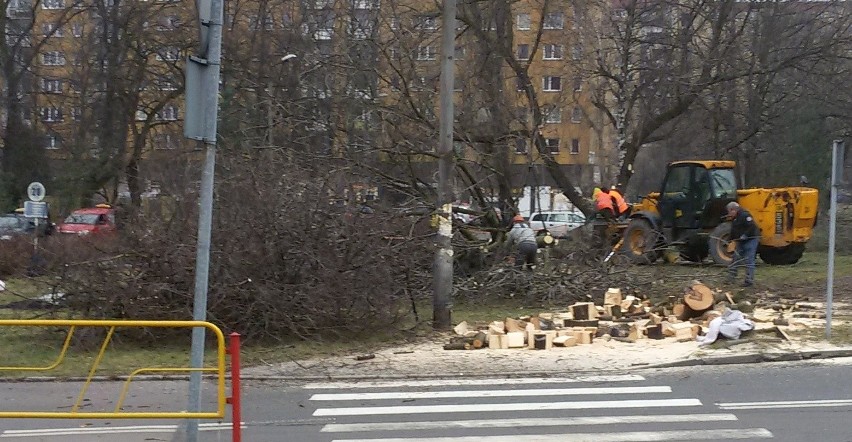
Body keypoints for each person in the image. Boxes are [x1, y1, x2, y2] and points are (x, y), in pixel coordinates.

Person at [726, 201, 760, 287]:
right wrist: (730, 240)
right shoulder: (735, 218)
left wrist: (745, 235)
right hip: (740, 241)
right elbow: (734, 230)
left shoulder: (745, 215)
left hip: (750, 240)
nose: (728, 213)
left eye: (729, 211)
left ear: (733, 210)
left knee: (749, 260)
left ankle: (749, 281)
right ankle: (731, 278)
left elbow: (752, 227)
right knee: (735, 259)